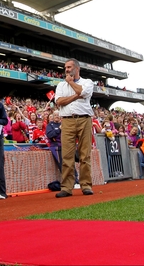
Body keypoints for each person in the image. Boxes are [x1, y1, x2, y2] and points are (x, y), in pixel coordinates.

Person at [53, 58, 94, 198]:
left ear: (77, 68)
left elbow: (84, 92)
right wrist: (77, 95)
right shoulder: (60, 85)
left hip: (84, 119)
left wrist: (71, 83)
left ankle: (86, 185)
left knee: (85, 155)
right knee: (67, 156)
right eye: (65, 67)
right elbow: (59, 102)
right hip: (67, 120)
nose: (67, 69)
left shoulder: (87, 82)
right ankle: (66, 187)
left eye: (69, 67)